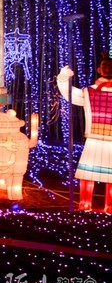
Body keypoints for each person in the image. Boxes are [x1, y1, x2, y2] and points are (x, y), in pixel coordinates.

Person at [57, 53, 112, 212]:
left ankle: (110, 206)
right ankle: (85, 203)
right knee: (87, 173)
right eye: (105, 65)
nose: (108, 68)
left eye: (111, 66)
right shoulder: (89, 92)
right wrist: (63, 78)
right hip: (93, 139)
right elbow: (70, 94)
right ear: (99, 69)